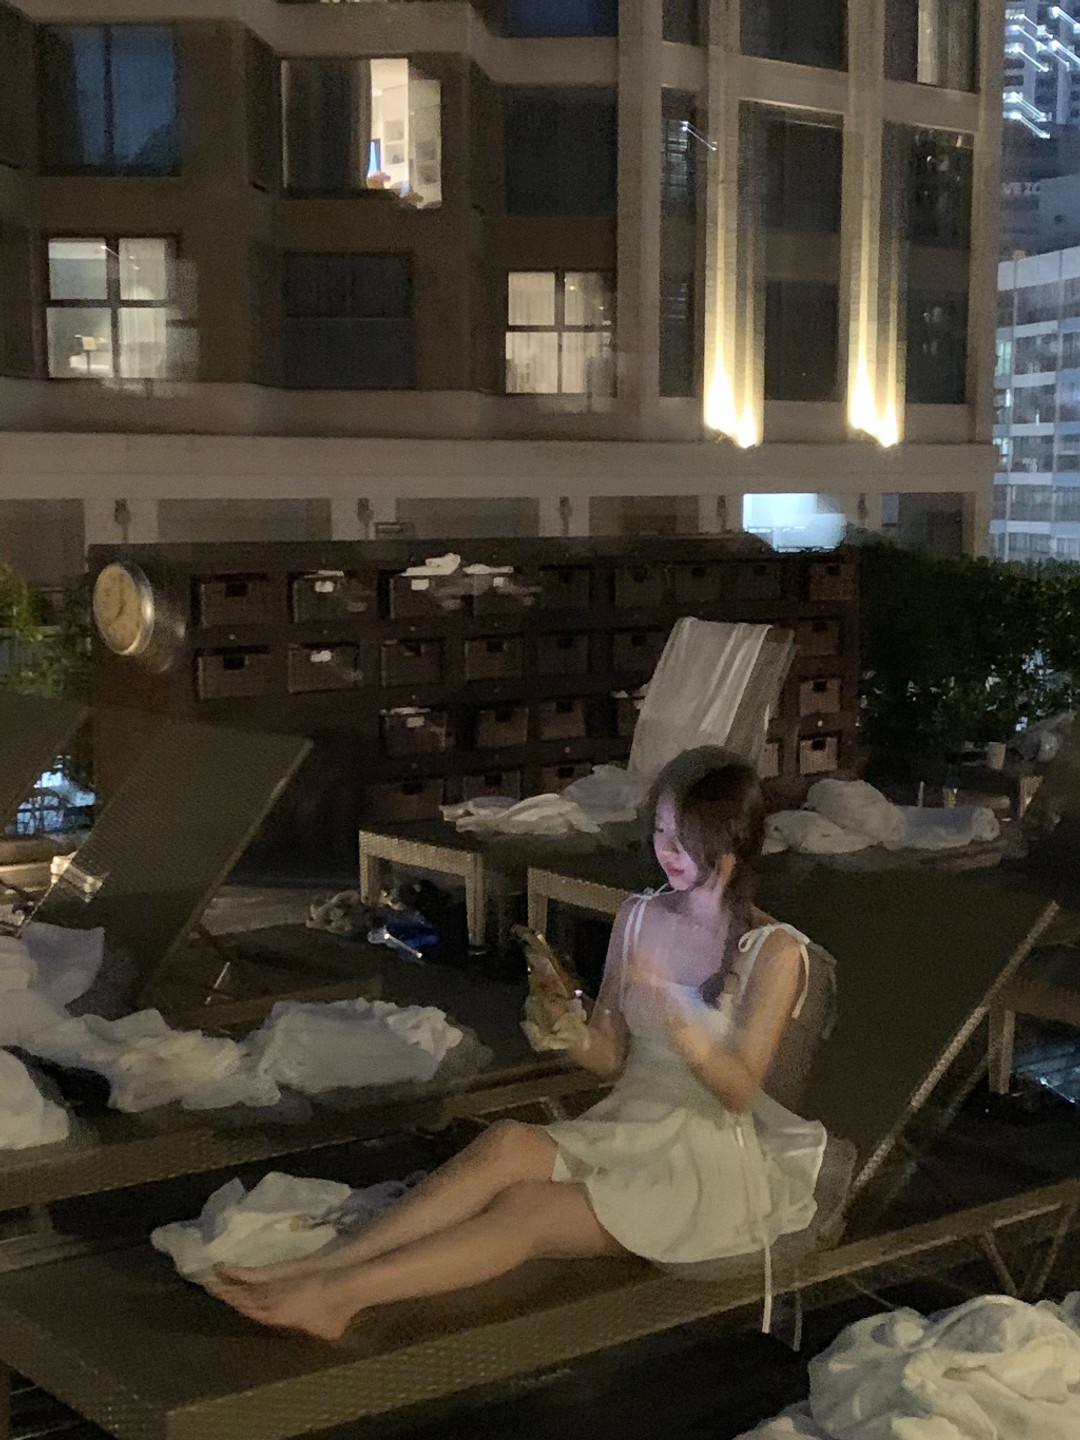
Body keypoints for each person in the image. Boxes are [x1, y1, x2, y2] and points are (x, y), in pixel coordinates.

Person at [206, 747, 828, 1340]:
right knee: (507, 1142)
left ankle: (337, 1298)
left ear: (730, 841)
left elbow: (740, 1092)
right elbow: (611, 1058)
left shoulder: (775, 952)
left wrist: (676, 1019)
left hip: (708, 1166)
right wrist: (565, 1029)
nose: (665, 850)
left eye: (683, 837)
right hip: (630, 1128)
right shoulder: (640, 915)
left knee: (527, 1209)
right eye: (661, 831)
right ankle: (328, 1263)